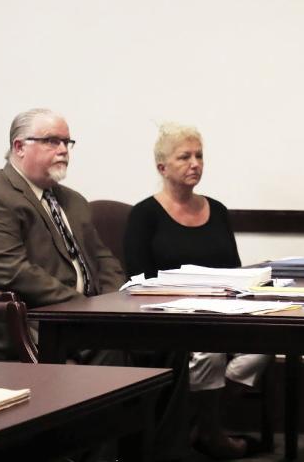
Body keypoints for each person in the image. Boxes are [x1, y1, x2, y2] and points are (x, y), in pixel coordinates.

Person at [0, 108, 189, 460]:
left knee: (169, 340)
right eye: (52, 140)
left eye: (67, 141)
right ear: (19, 146)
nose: (64, 149)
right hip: (32, 322)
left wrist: (114, 300)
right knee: (111, 346)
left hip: (86, 316)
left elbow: (103, 259)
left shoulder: (72, 200)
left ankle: (156, 453)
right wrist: (84, 306)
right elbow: (12, 271)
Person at [124, 123, 270, 460]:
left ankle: (197, 424)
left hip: (224, 312)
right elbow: (137, 279)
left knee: (264, 348)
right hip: (172, 317)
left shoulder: (216, 210)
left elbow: (234, 270)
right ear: (162, 167)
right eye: (184, 157)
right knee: (210, 353)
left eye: (199, 156)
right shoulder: (145, 215)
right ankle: (210, 434)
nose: (195, 163)